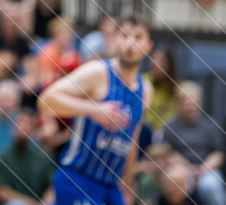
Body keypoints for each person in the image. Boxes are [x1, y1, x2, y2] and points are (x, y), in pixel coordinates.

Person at [39, 15, 154, 205]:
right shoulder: (97, 72)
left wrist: (128, 185)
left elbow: (132, 140)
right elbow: (46, 100)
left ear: (148, 46)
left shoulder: (146, 90)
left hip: (111, 187)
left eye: (138, 37)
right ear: (114, 39)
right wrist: (93, 109)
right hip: (79, 179)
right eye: (124, 35)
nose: (130, 43)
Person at [163, 82, 226, 205]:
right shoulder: (171, 126)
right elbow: (168, 154)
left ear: (199, 102)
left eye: (192, 101)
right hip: (179, 169)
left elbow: (218, 155)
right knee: (175, 182)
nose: (190, 105)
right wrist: (188, 169)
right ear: (179, 103)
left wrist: (202, 170)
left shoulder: (210, 125)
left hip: (206, 171)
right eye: (186, 102)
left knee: (211, 186)